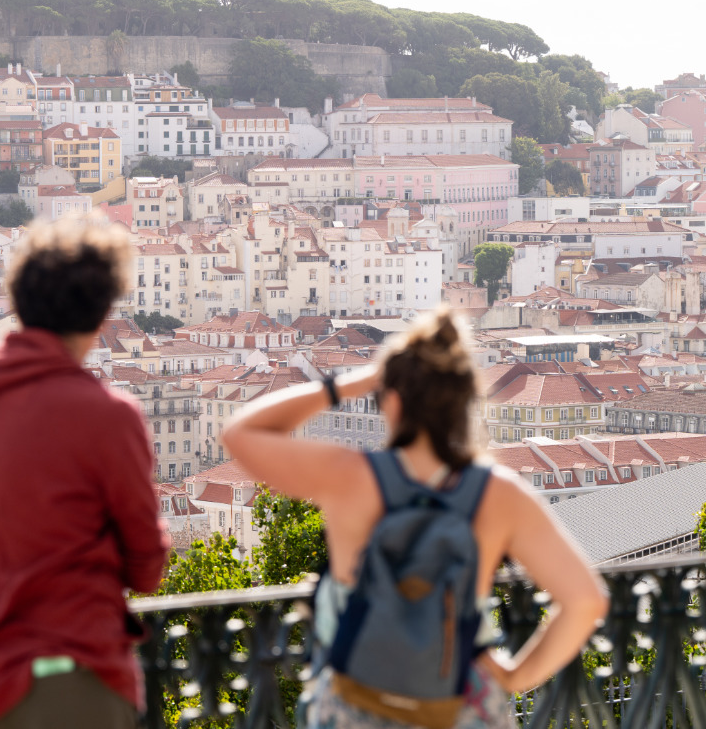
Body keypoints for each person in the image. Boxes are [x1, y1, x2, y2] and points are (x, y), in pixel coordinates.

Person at [221, 309, 607, 728]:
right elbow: (586, 601)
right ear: (464, 401)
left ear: (392, 400)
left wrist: (349, 383)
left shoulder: (350, 476)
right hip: (460, 701)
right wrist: (515, 677)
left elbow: (240, 433)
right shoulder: (500, 493)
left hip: (358, 701)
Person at [0, 216, 170, 729]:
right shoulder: (109, 414)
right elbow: (146, 567)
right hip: (76, 675)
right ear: (103, 311)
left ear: (18, 298)